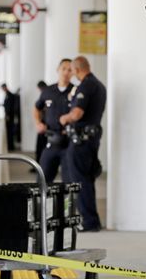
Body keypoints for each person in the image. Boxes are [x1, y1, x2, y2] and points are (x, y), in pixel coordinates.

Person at [59, 56, 106, 232]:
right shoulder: (99, 85)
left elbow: (77, 113)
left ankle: (89, 222)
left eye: (71, 70)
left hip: (82, 141)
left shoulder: (86, 85)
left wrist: (65, 118)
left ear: (77, 70)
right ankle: (91, 220)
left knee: (80, 180)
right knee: (86, 178)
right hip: (90, 139)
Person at [34, 61, 72, 183]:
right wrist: (38, 122)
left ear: (73, 72)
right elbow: (36, 108)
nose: (66, 72)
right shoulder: (48, 91)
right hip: (51, 142)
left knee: (69, 184)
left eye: (70, 70)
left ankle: (66, 203)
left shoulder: (75, 91)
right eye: (64, 68)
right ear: (58, 69)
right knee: (42, 180)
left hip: (69, 144)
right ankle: (41, 202)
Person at [33, 80, 49, 167]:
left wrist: (38, 122)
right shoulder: (48, 94)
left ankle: (40, 165)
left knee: (41, 147)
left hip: (45, 124)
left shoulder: (46, 95)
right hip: (44, 124)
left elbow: (38, 109)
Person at [0, 83, 19, 151]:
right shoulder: (7, 95)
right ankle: (10, 145)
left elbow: (10, 107)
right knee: (9, 131)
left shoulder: (10, 95)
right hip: (9, 115)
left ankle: (11, 146)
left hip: (10, 116)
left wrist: (7, 115)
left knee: (10, 131)